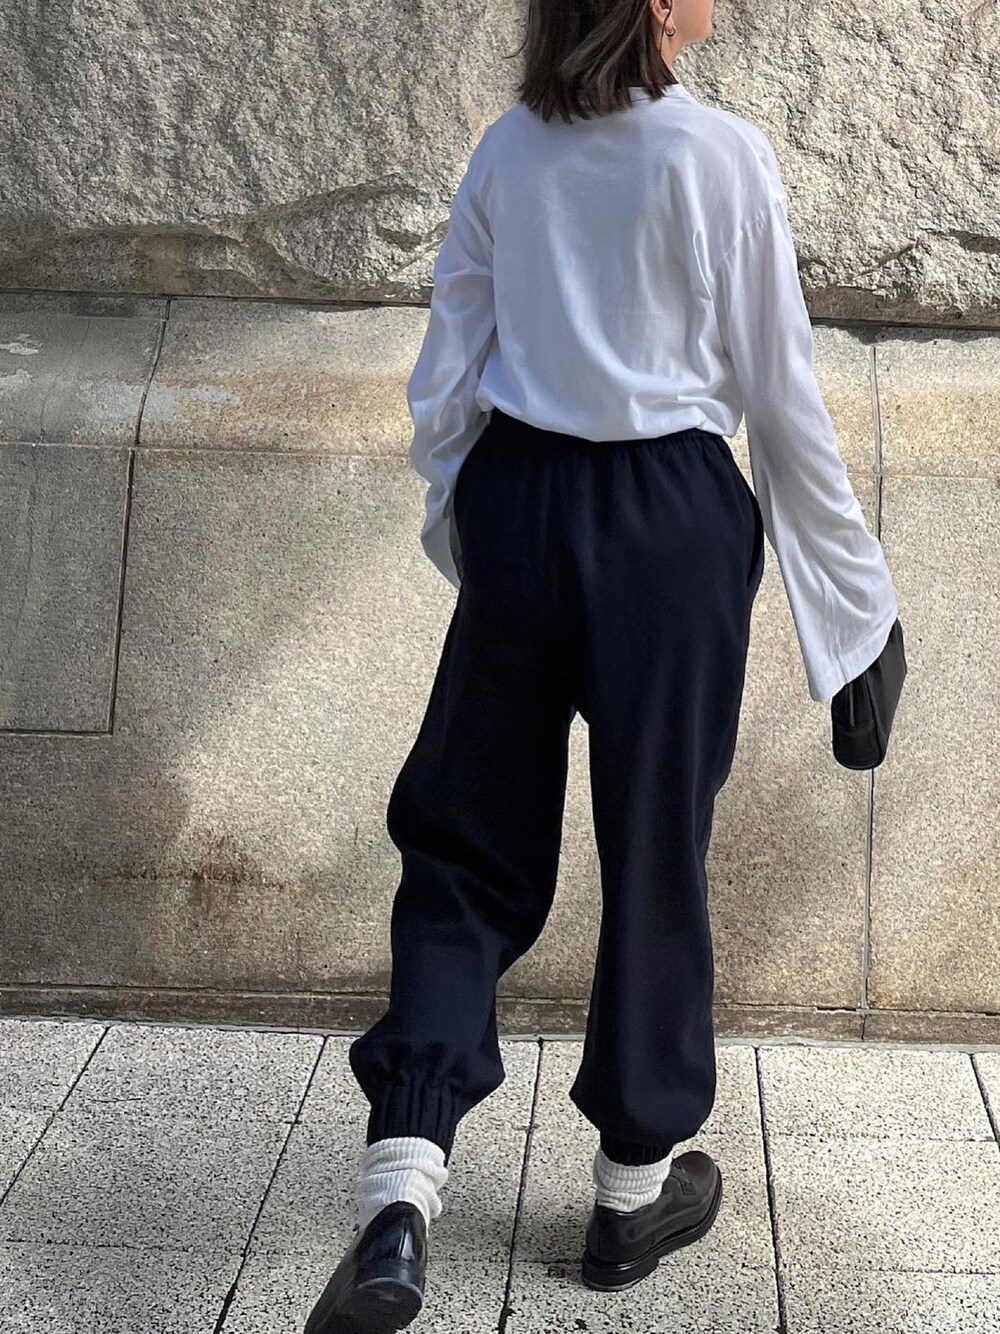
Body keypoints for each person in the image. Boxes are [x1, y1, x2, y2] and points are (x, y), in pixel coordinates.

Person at [303, 0, 900, 1328]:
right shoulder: (719, 156)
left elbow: (446, 375)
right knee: (653, 842)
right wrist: (856, 615)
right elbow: (781, 395)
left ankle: (400, 1192)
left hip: (521, 499)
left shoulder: (508, 148)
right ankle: (631, 1192)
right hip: (671, 523)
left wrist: (479, 526)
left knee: (463, 839)